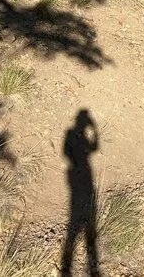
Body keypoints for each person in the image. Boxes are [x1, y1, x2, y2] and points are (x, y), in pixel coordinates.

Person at [61, 109, 99, 277]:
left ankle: (67, 267)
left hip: (77, 174)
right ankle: (68, 265)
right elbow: (95, 147)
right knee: (77, 219)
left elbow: (66, 152)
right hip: (80, 173)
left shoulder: (71, 133)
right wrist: (95, 131)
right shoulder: (73, 133)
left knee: (75, 220)